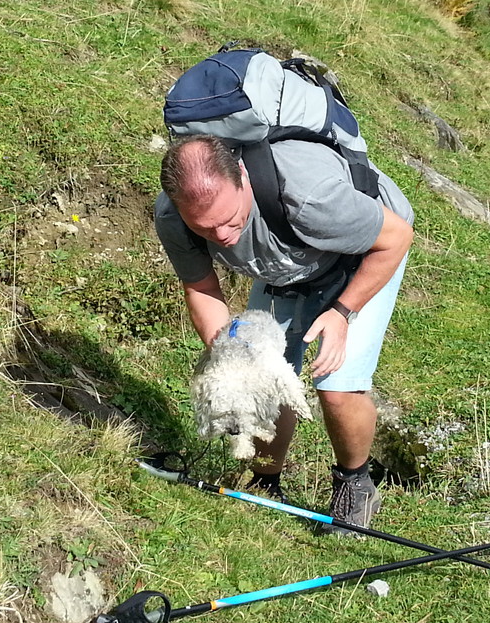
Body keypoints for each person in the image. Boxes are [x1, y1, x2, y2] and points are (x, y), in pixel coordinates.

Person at [155, 134, 414, 531]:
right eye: (206, 228)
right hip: (287, 264)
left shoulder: (309, 197)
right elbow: (202, 288)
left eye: (228, 221)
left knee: (337, 385)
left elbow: (395, 239)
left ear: (242, 177)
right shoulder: (174, 219)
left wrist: (342, 313)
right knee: (259, 375)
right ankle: (264, 478)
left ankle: (355, 483)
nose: (223, 237)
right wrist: (229, 354)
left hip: (365, 254)